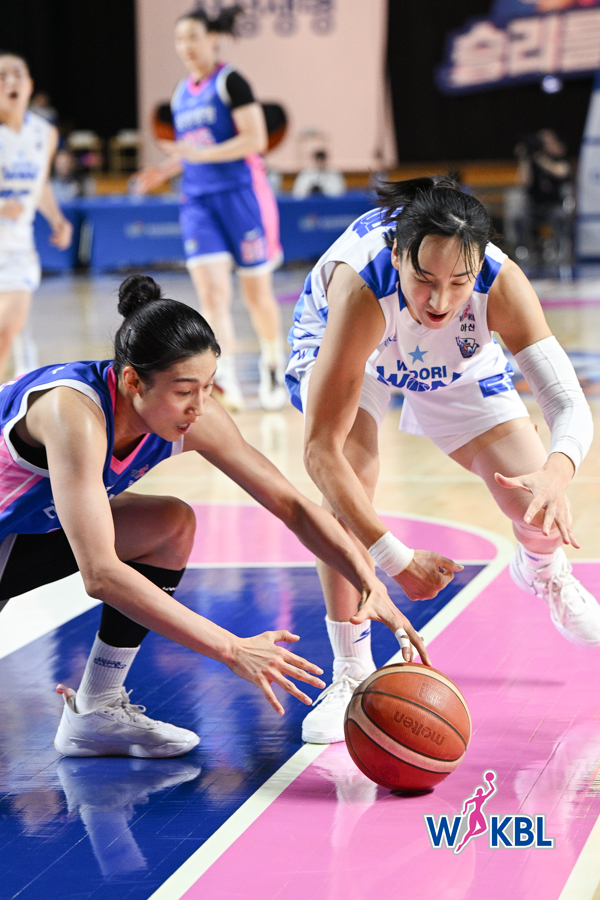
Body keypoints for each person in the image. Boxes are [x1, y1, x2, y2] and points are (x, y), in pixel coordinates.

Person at [0, 273, 428, 759]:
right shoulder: (74, 413)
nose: (200, 407)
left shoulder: (190, 415)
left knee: (170, 525)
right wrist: (232, 648)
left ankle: (96, 708)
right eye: (186, 391)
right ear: (133, 381)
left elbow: (292, 506)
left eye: (208, 386)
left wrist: (369, 580)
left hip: (17, 536)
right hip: (12, 541)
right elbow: (100, 574)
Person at [285, 174, 600, 744]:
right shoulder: (362, 286)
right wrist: (395, 557)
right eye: (425, 279)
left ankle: (542, 570)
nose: (440, 300)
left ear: (478, 266)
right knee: (351, 476)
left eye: (459, 282)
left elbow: (568, 403)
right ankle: (351, 670)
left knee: (533, 499)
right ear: (398, 256)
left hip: (456, 363)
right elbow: (319, 452)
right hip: (355, 349)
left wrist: (558, 472)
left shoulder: (501, 283)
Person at [133, 7, 286, 414]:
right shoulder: (181, 93)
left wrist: (200, 153)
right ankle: (225, 378)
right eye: (180, 39)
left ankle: (273, 364)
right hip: (198, 201)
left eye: (193, 37)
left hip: (241, 196)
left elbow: (255, 139)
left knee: (257, 295)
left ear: (212, 39)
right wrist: (164, 170)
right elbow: (192, 150)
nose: (186, 46)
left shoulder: (230, 81)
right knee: (213, 296)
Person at [0, 52, 73, 380]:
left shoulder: (45, 133)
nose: (10, 82)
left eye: (17, 74)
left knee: (5, 332)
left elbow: (40, 184)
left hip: (16, 247)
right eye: (2, 76)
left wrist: (57, 219)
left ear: (29, 84)